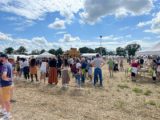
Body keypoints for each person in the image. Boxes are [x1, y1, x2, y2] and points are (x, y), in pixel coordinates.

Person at [0, 54, 13, 119]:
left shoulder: (5, 65)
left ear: (4, 58)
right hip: (7, 85)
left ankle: (8, 115)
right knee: (4, 99)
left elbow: (4, 76)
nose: (0, 59)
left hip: (5, 85)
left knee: (6, 101)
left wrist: (5, 78)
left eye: (1, 57)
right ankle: (5, 111)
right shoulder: (10, 64)